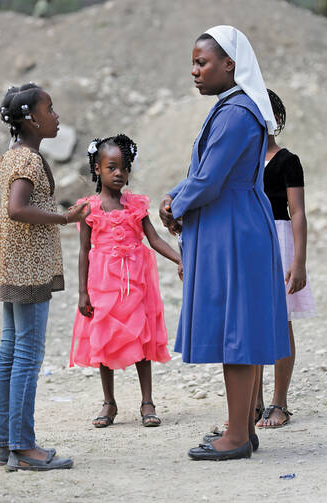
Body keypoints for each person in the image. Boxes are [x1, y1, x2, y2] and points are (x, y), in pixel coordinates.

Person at [159, 26, 290, 461]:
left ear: (229, 65)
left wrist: (176, 205)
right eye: (193, 63)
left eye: (202, 62)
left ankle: (236, 437)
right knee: (245, 328)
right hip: (238, 222)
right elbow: (207, 170)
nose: (194, 71)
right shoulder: (236, 107)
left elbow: (211, 179)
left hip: (232, 226)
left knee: (237, 331)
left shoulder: (235, 113)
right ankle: (242, 429)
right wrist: (177, 196)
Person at [0, 83, 89, 471]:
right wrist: (65, 218)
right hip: (28, 267)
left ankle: (7, 444)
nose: (56, 115)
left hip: (11, 264)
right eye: (49, 108)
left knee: (11, 354)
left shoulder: (13, 155)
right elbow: (18, 208)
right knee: (27, 357)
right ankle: (23, 447)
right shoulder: (30, 162)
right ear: (31, 118)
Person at [70, 134, 182, 428]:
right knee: (104, 340)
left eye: (124, 167)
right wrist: (83, 293)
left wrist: (180, 259)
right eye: (111, 167)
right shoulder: (89, 208)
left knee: (140, 338)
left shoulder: (135, 205)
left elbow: (154, 238)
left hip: (136, 284)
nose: (119, 173)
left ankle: (147, 401)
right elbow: (84, 251)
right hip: (102, 285)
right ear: (97, 169)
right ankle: (109, 402)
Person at [256, 89, 317, 428]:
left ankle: (279, 402)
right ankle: (254, 402)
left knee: (280, 322)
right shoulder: (240, 162)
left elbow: (297, 213)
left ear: (276, 120)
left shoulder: (287, 161)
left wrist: (299, 262)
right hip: (248, 246)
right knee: (250, 324)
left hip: (279, 246)